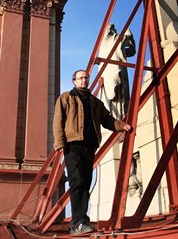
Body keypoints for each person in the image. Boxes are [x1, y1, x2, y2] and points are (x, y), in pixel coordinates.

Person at [53, 69, 133, 234]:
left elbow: (107, 120)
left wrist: (121, 126)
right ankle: (78, 222)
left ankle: (81, 221)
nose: (84, 80)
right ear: (74, 81)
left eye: (86, 78)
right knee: (77, 181)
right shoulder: (66, 98)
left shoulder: (95, 102)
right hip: (72, 145)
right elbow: (58, 121)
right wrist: (60, 143)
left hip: (89, 146)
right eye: (80, 78)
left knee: (86, 182)